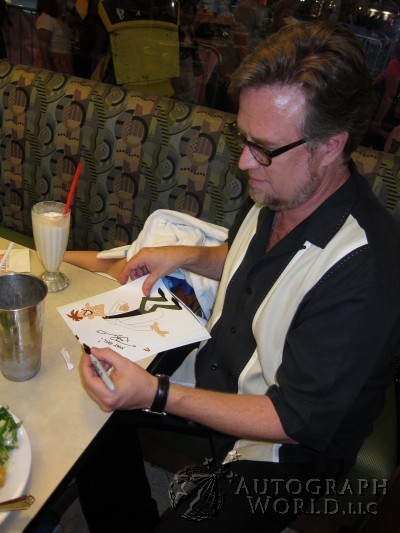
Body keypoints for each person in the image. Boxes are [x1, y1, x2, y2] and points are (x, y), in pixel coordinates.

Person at [74, 21, 400, 532]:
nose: (246, 161)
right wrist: (184, 255)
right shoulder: (283, 186)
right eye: (243, 138)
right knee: (87, 409)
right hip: (221, 365)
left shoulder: (367, 267)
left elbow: (295, 419)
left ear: (330, 145)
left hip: (291, 446)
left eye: (262, 148)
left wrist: (157, 393)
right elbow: (261, 262)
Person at [364, 41, 400, 150]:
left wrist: (377, 120)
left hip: (382, 115)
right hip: (389, 117)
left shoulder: (395, 63)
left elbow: (389, 95)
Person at [34, 0, 74, 74]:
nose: (65, 1)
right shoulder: (46, 18)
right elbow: (43, 47)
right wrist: (50, 71)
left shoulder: (58, 18)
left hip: (61, 62)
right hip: (53, 62)